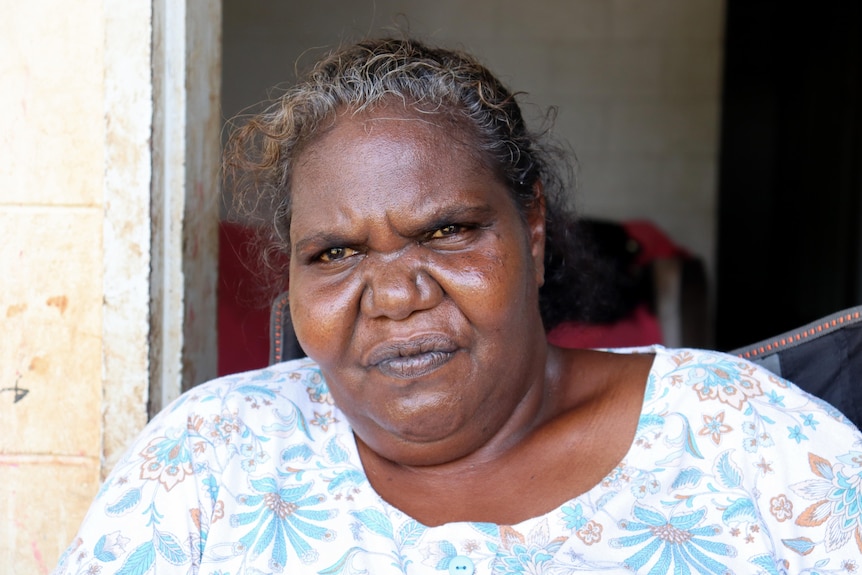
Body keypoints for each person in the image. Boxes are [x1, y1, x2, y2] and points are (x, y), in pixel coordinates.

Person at [54, 37, 862, 575]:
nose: (398, 293)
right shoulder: (205, 458)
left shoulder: (748, 438)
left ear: (533, 230)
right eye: (335, 253)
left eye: (446, 232)